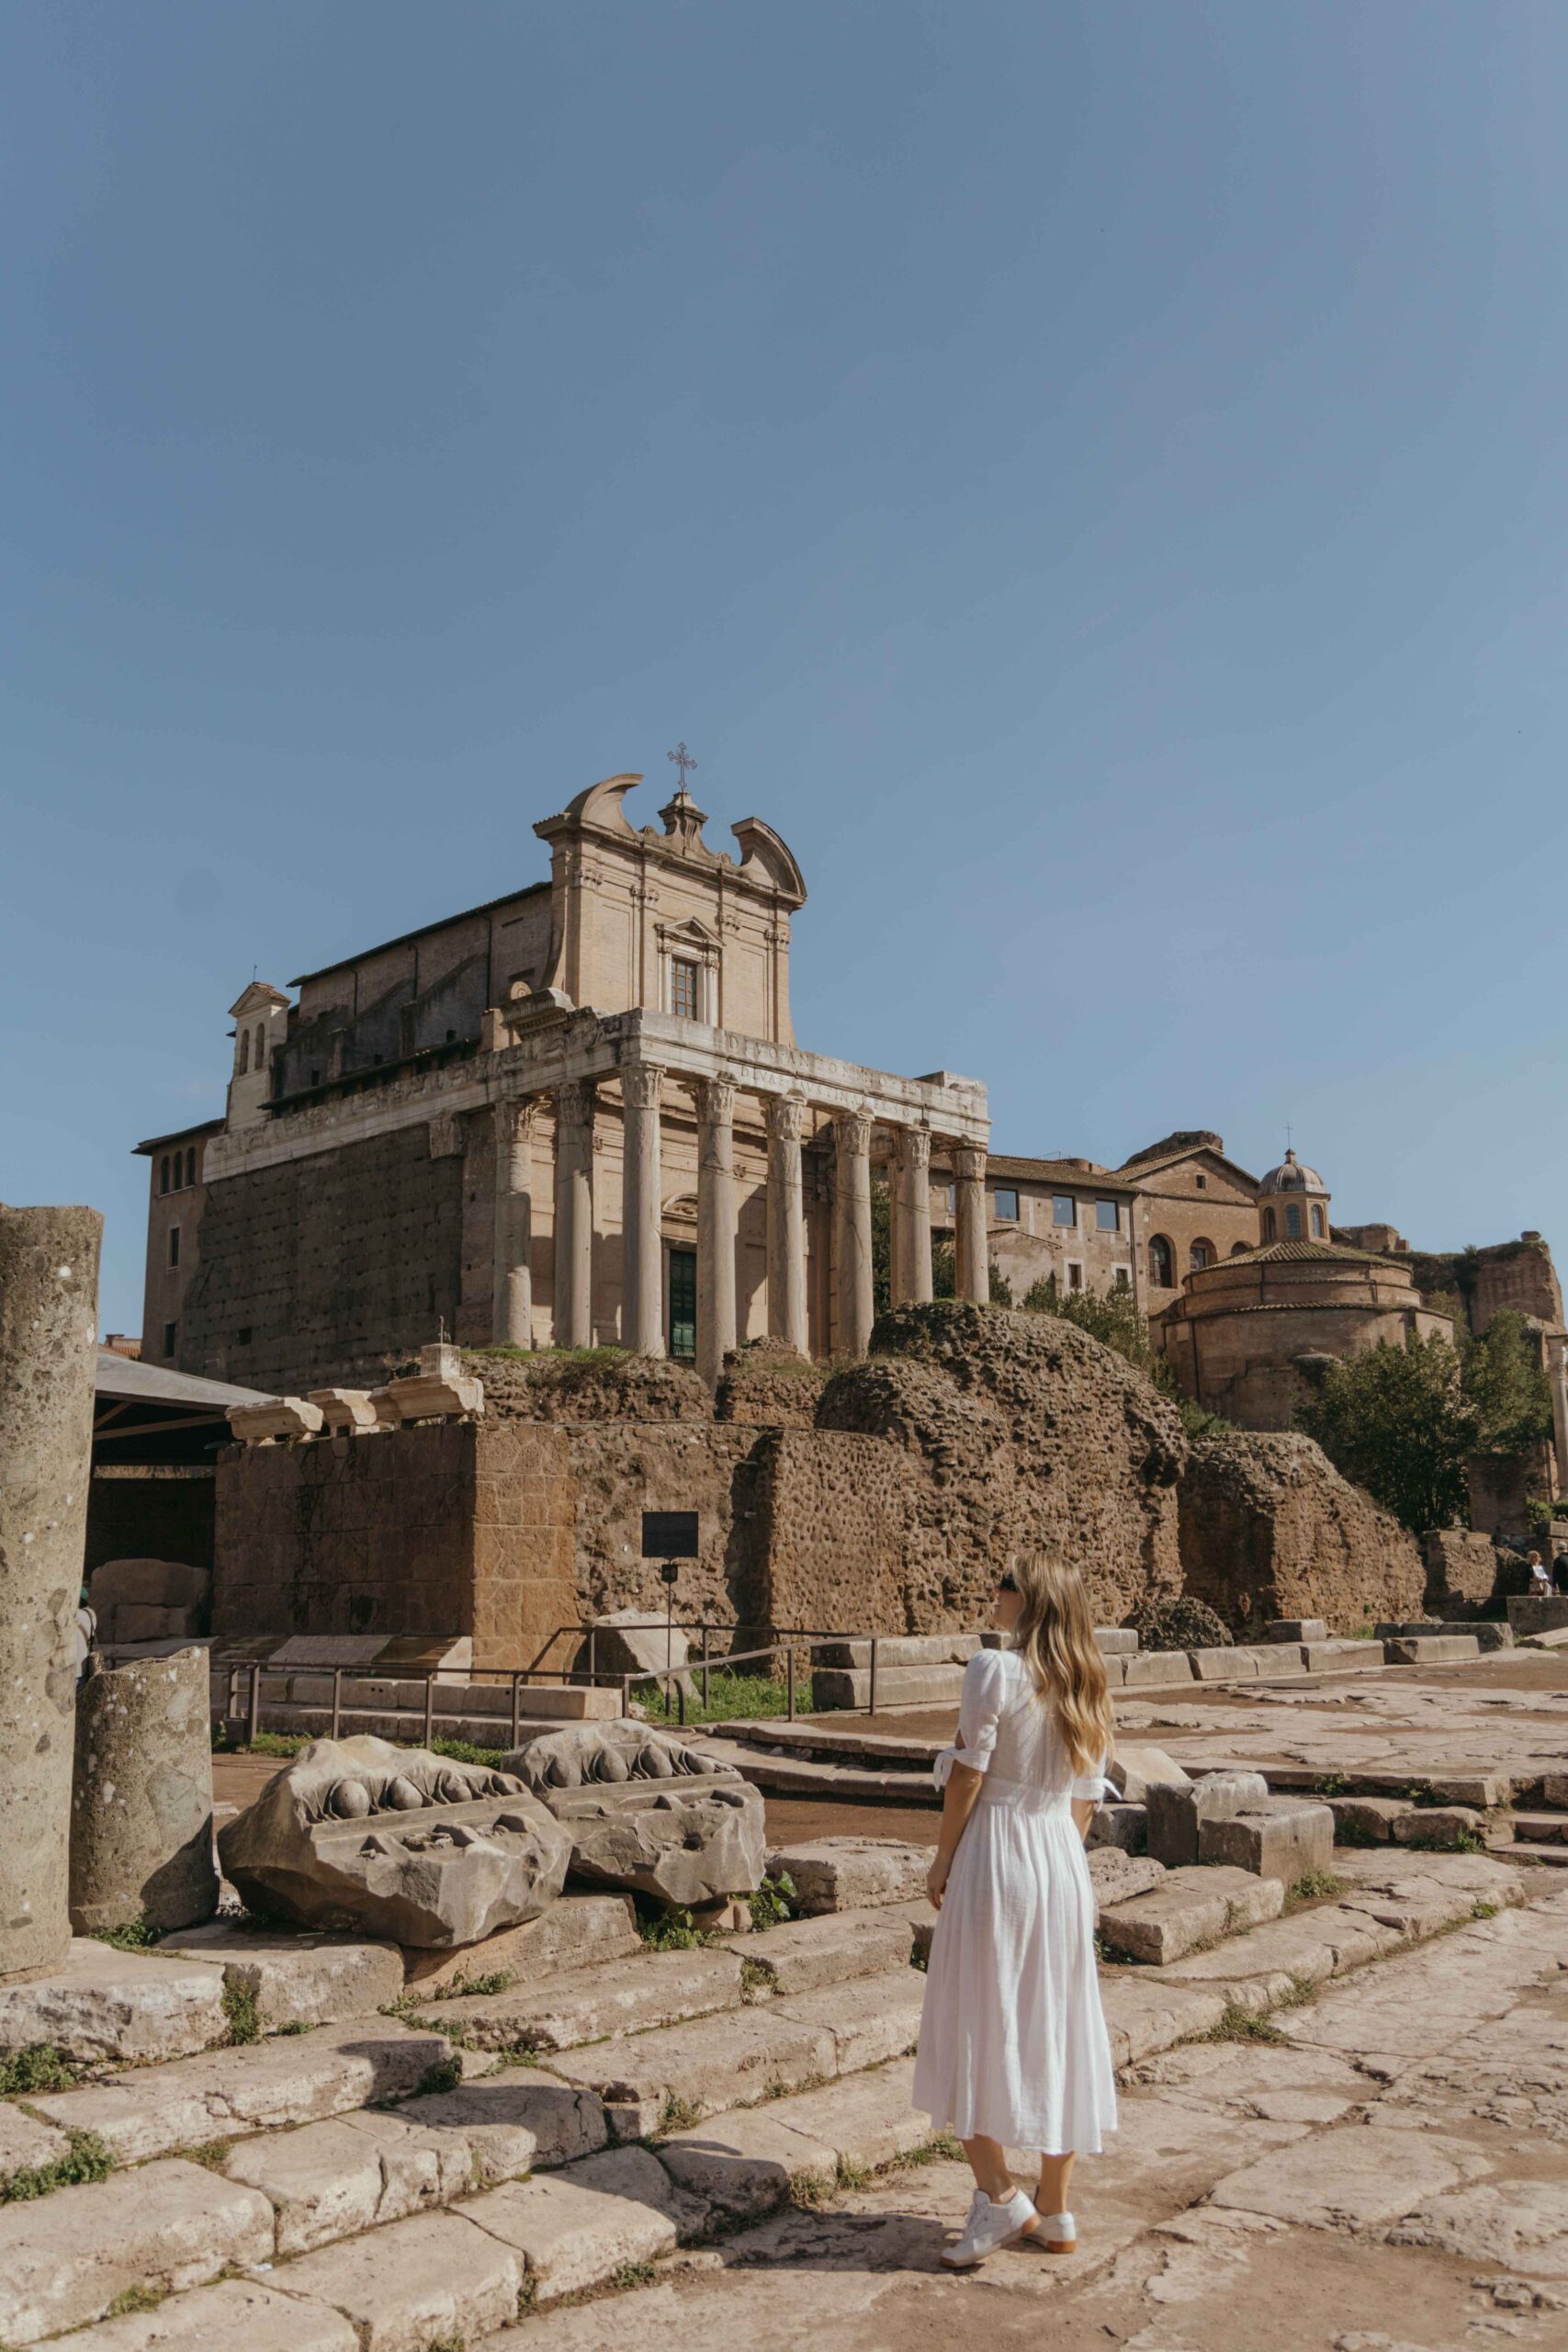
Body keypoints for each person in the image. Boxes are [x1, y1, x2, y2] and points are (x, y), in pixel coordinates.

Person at [912, 1551, 1118, 2272]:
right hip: (1060, 1857)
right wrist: (1053, 1856)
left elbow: (967, 1773)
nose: (992, 1592)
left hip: (997, 1848)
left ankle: (1000, 2198)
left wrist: (942, 1860)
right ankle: (1056, 2209)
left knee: (973, 2015)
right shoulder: (1087, 1684)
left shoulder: (992, 1669)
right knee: (1053, 2020)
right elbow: (1084, 1799)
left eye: (1003, 1583)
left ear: (1027, 1600)